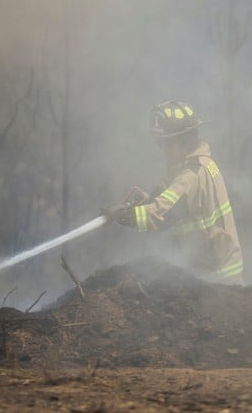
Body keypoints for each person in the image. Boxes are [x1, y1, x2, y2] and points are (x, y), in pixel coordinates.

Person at [102, 100, 244, 284]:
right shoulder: (199, 163)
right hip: (214, 269)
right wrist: (150, 196)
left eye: (166, 143)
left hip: (217, 280)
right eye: (159, 144)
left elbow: (162, 214)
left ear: (184, 140)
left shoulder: (190, 176)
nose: (163, 149)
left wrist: (125, 215)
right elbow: (170, 190)